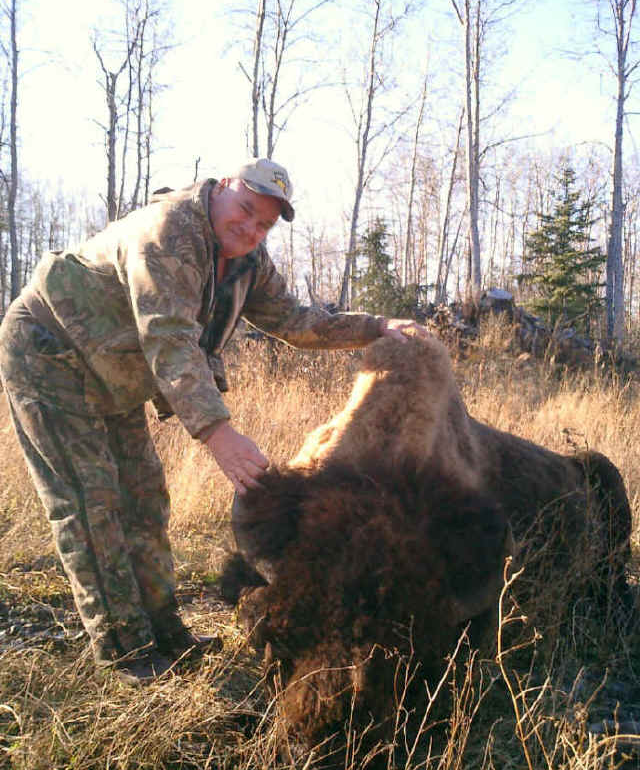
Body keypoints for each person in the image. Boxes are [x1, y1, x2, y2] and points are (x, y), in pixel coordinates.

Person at [0, 157, 426, 686]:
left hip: (113, 373)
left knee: (144, 497)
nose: (249, 229)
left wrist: (377, 327)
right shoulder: (169, 231)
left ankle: (166, 632)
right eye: (245, 210)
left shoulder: (246, 261)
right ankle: (126, 651)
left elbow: (295, 320)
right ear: (223, 187)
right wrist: (216, 432)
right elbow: (170, 338)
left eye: (264, 224)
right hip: (50, 352)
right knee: (91, 503)